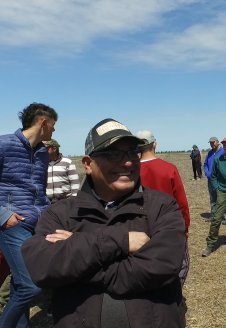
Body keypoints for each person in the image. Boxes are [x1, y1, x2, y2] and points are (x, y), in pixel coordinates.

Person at [21, 118, 186, 327]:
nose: (127, 162)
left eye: (132, 152)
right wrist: (120, 240)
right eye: (114, 154)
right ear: (88, 164)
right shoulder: (62, 213)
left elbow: (163, 264)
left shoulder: (161, 207)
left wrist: (78, 254)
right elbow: (41, 265)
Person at [0, 103, 57, 327]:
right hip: (13, 224)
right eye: (53, 125)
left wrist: (48, 214)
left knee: (19, 283)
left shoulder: (43, 153)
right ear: (43, 122)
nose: (54, 131)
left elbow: (40, 190)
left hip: (38, 224)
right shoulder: (3, 144)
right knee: (32, 286)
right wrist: (4, 216)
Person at [136, 129, 190, 285]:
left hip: (142, 228)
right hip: (169, 226)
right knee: (179, 264)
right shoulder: (169, 169)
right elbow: (182, 203)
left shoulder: (131, 171)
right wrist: (185, 227)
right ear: (154, 144)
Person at [203, 136, 226, 223]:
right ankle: (214, 215)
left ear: (217, 142)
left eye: (213, 142)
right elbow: (205, 164)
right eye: (210, 143)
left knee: (224, 198)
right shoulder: (210, 153)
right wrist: (207, 173)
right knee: (213, 198)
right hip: (210, 180)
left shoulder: (223, 152)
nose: (212, 144)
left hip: (220, 179)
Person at [45, 139, 80, 203]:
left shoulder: (67, 162)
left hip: (65, 202)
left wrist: (74, 200)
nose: (43, 150)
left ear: (54, 149)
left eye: (46, 148)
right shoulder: (43, 164)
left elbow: (75, 183)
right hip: (48, 203)